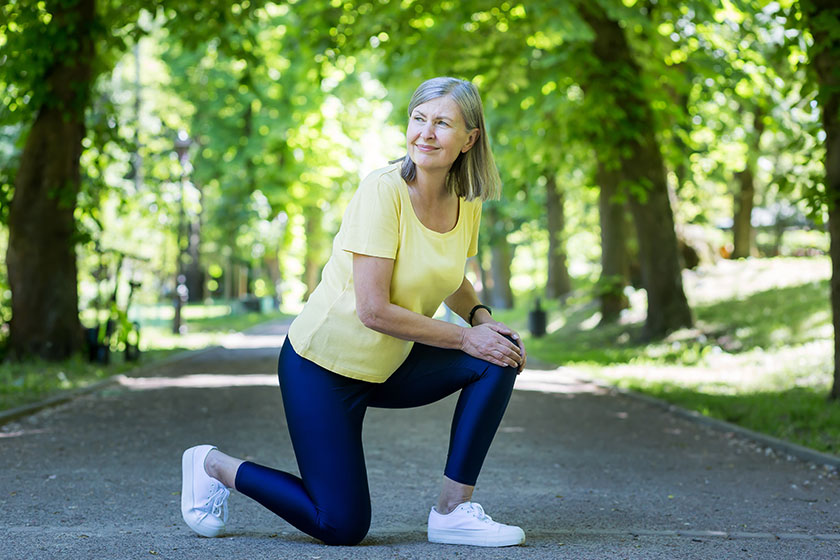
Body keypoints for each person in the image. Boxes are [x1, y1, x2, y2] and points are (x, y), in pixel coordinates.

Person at [180, 76, 528, 547]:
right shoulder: (382, 192)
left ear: (469, 138)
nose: (425, 132)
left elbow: (449, 278)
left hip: (390, 364)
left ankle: (452, 512)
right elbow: (374, 310)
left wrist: (483, 321)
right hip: (322, 368)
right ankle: (213, 465)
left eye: (442, 123)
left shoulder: (466, 202)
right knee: (341, 525)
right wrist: (467, 338)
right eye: (418, 119)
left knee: (500, 356)